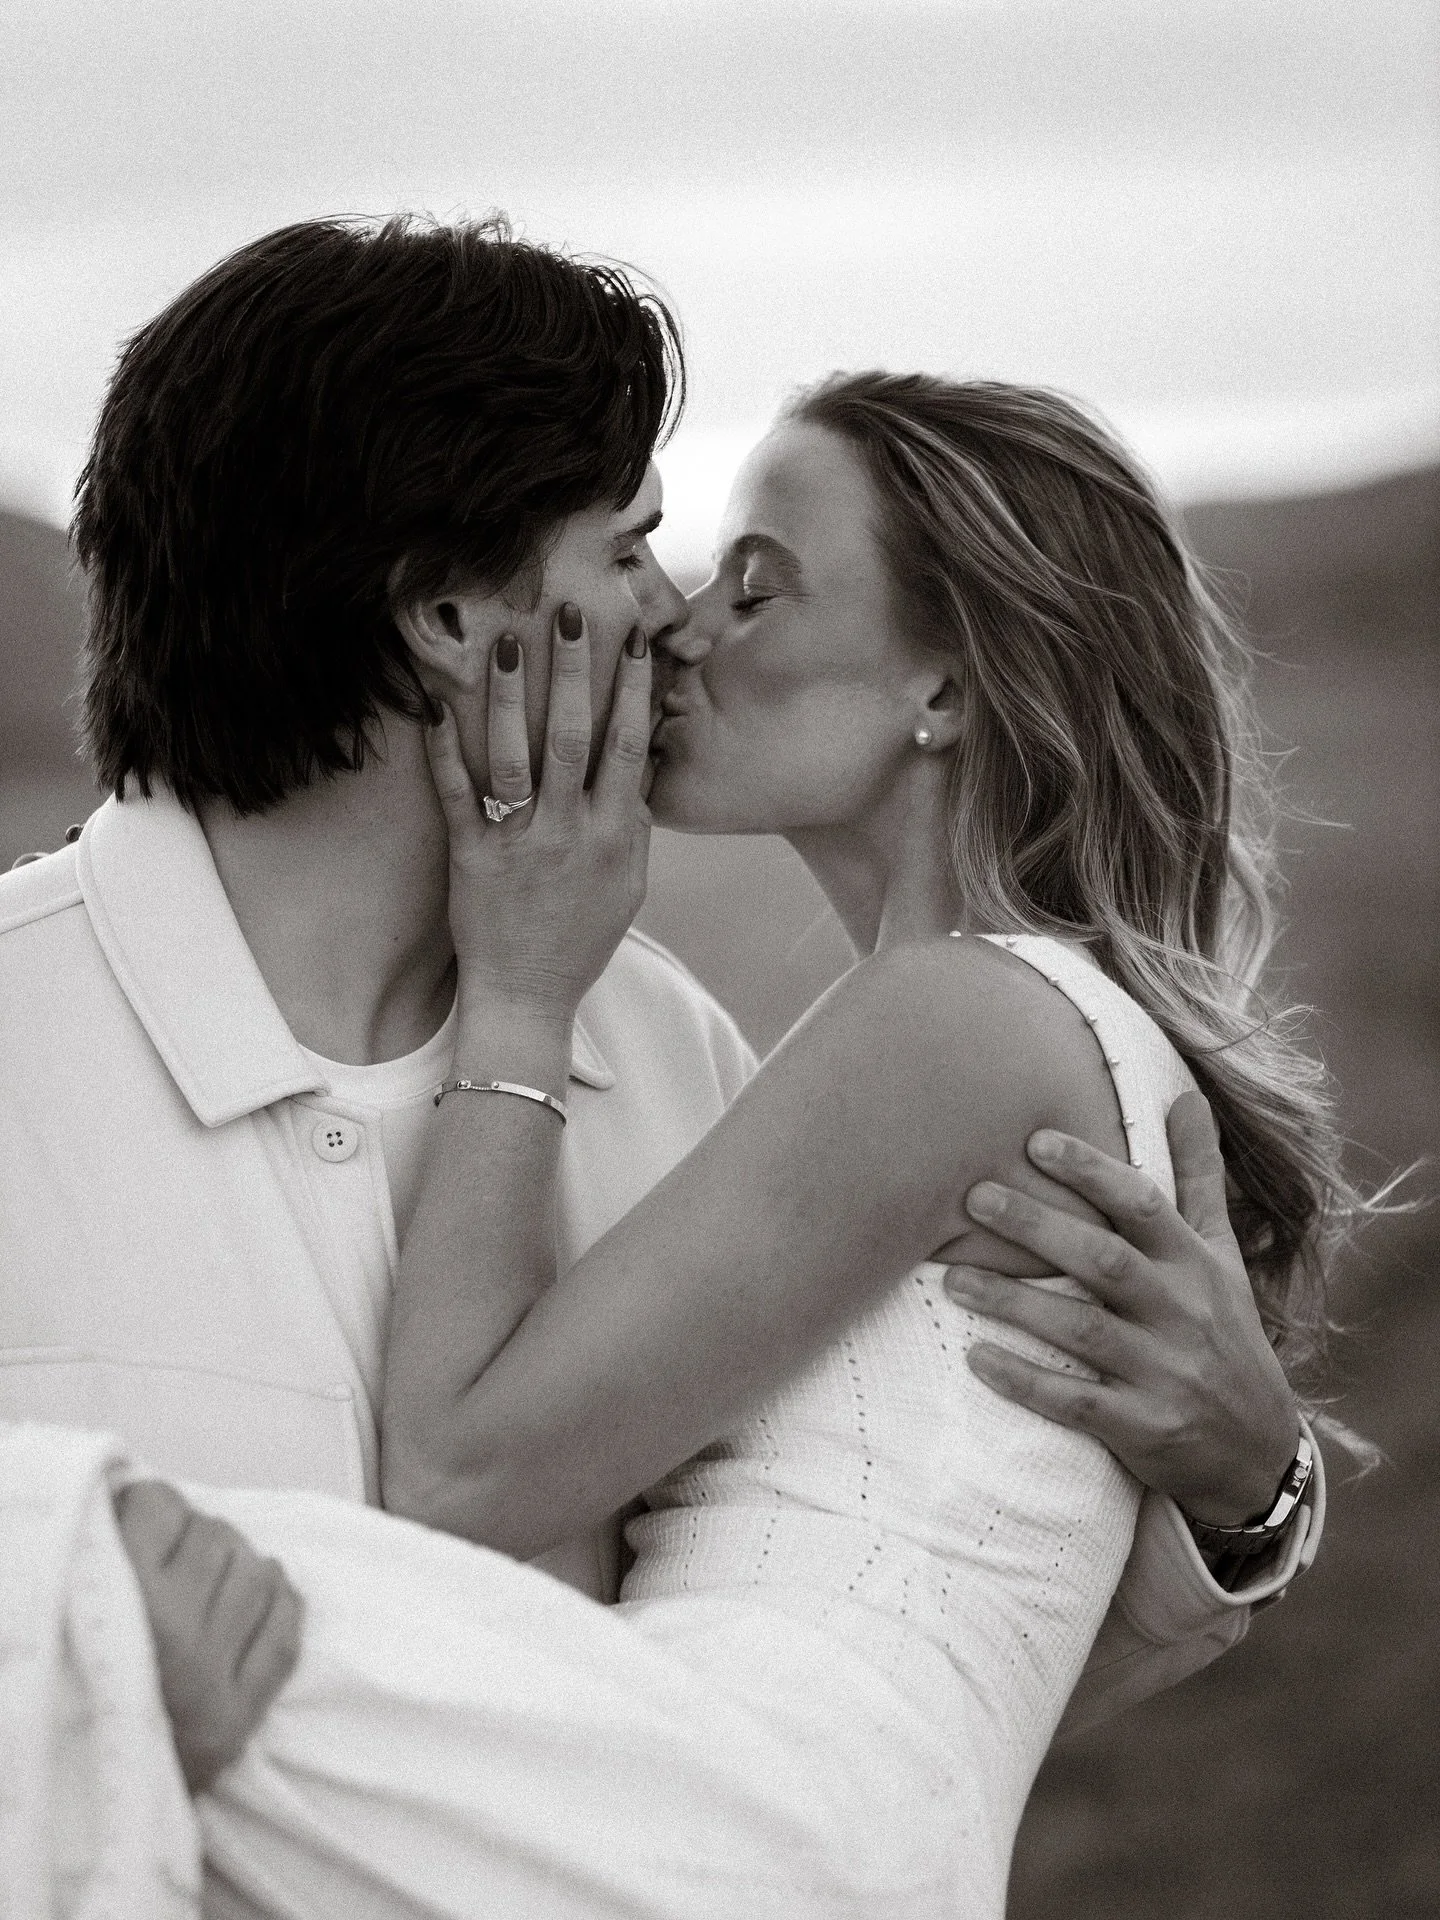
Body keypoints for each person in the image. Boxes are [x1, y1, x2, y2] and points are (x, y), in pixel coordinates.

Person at [0, 215, 1313, 1805]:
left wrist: (1253, 1499)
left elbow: (844, 1696)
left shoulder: (678, 1060)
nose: (668, 620)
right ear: (443, 618)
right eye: (628, 550)